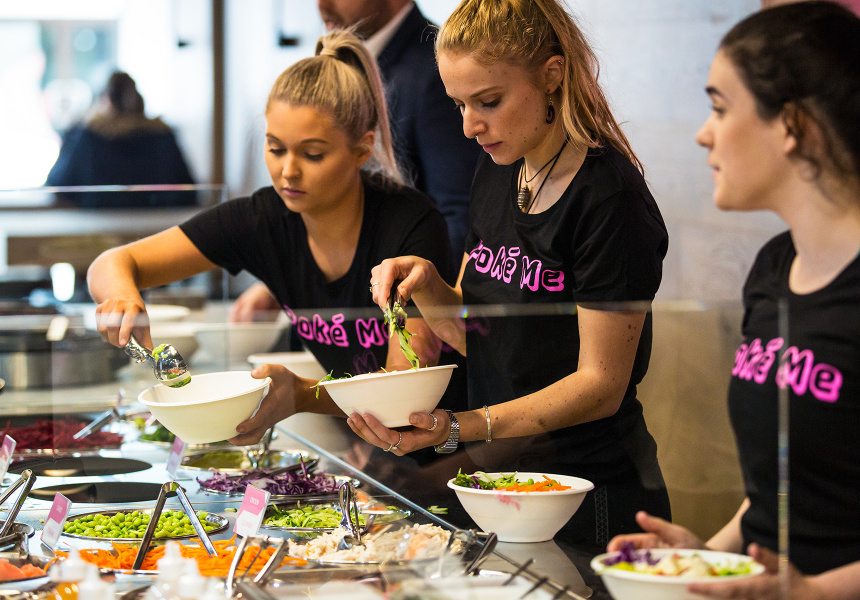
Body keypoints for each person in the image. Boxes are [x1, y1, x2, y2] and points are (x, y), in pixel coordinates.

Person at [348, 0, 671, 549]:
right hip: (504, 481)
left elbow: (600, 386)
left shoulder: (607, 197)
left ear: (552, 75)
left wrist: (459, 427)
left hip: (587, 491)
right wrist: (430, 286)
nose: (470, 126)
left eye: (488, 102)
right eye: (459, 105)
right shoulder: (498, 169)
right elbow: (480, 337)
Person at [87, 31, 457, 446]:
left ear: (362, 149)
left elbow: (402, 396)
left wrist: (301, 395)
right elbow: (110, 264)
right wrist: (123, 298)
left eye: (312, 154)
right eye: (276, 148)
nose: (288, 171)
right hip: (373, 444)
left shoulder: (411, 224)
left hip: (454, 444)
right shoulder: (263, 218)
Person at [607, 3, 860, 598]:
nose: (704, 132)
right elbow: (779, 493)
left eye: (720, 108)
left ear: (792, 125)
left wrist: (816, 592)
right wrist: (705, 554)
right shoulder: (773, 266)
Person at [231, 0, 480, 322]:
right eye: (276, 148)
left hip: (395, 314)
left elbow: (459, 217)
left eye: (313, 154)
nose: (322, 5)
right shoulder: (351, 60)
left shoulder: (435, 67)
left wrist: (419, 309)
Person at [46, 71, 196, 208]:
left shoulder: (88, 136)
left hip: (98, 223)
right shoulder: (162, 135)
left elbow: (58, 185)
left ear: (106, 100)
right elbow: (189, 190)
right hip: (159, 223)